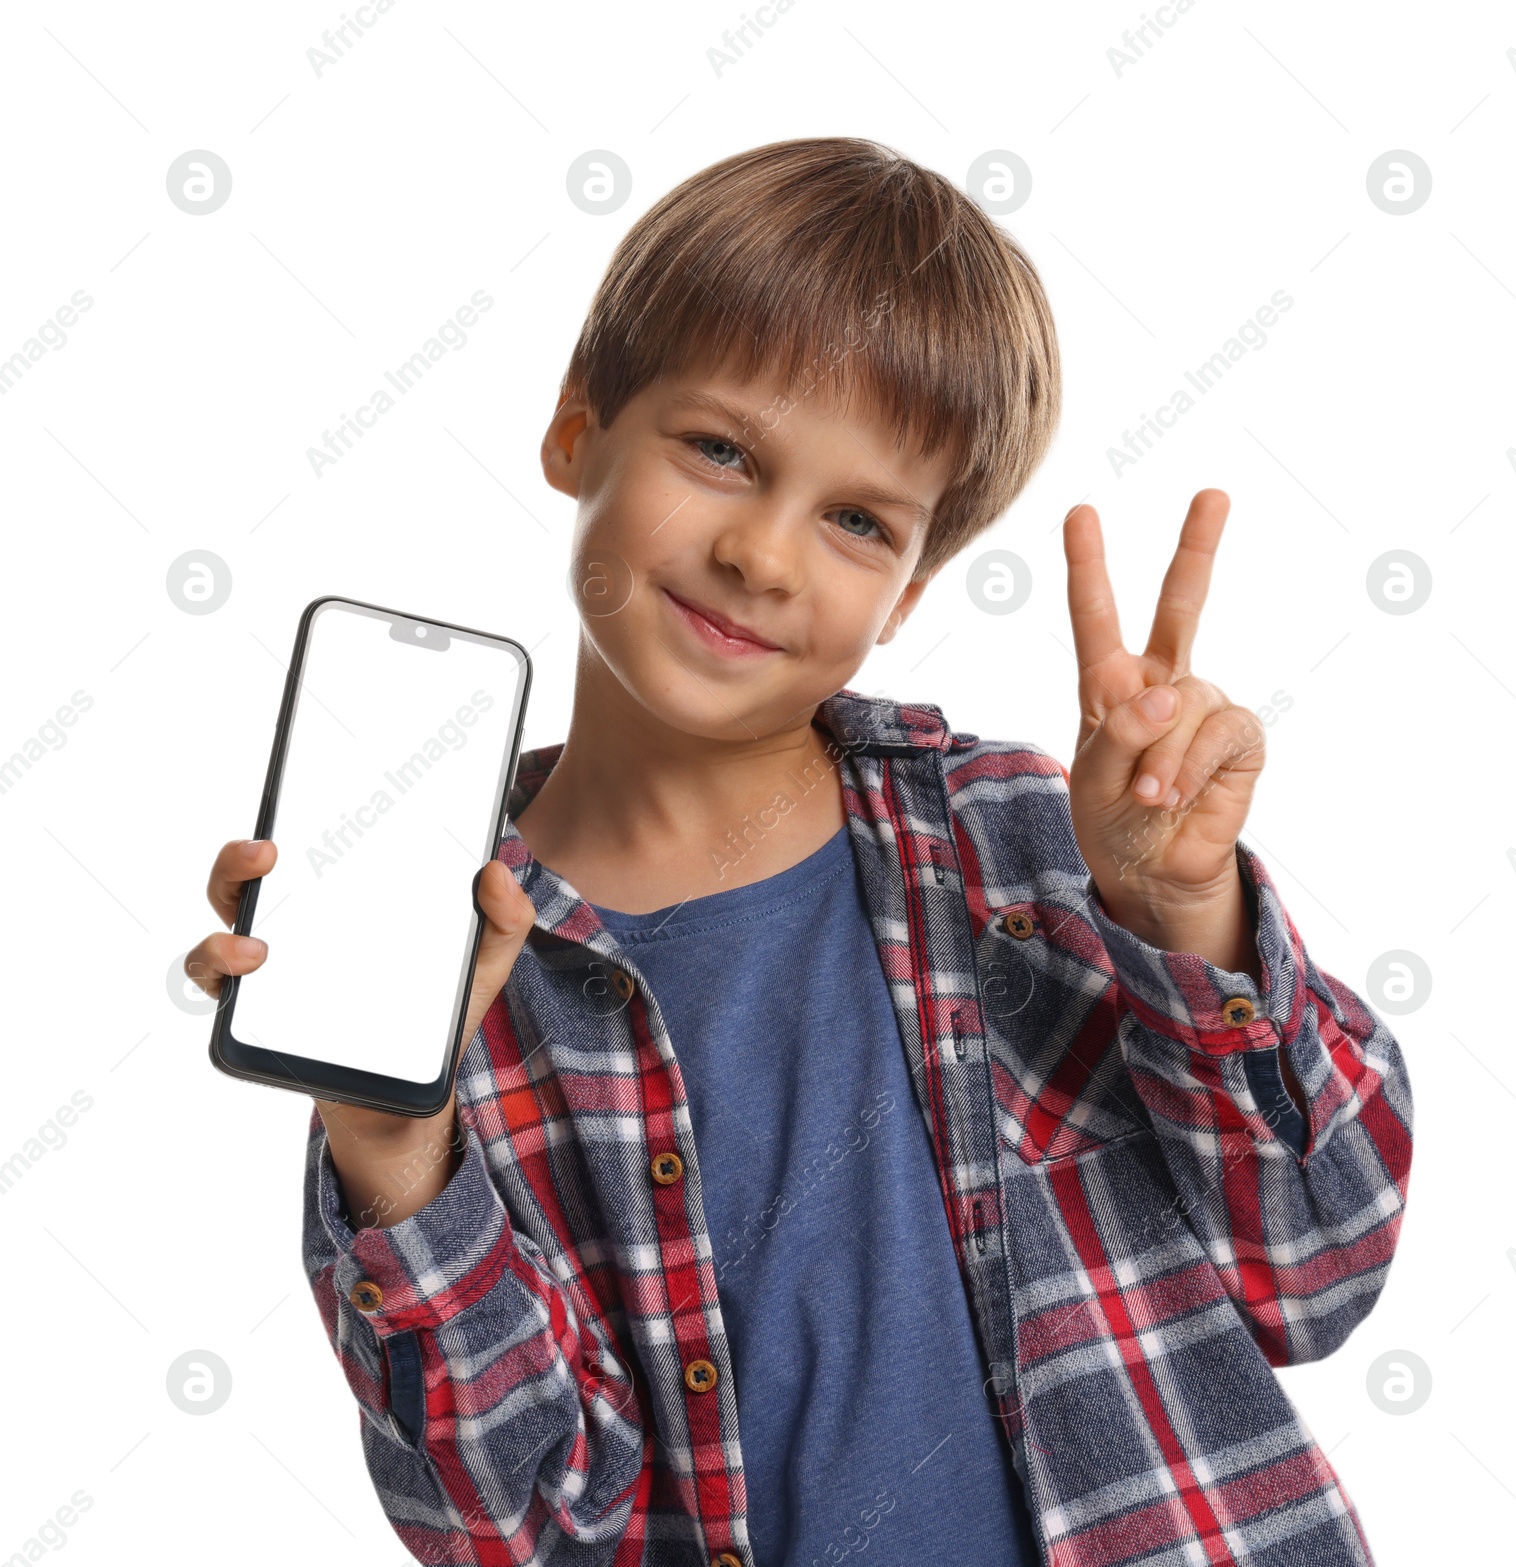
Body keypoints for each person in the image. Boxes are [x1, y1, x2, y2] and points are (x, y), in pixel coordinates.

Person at [187, 136, 1412, 1567]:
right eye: (721, 451)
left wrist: (1183, 919)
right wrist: (398, 1155)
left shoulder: (1025, 851)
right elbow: (530, 1531)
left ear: (909, 590)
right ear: (578, 428)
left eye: (854, 520)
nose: (765, 556)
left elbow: (1317, 1272)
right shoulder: (452, 981)